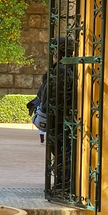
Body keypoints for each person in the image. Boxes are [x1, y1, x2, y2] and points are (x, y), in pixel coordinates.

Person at [40, 37, 73, 189]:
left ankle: (61, 183)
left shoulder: (59, 69)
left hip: (58, 118)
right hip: (66, 116)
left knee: (59, 150)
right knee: (63, 150)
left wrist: (46, 108)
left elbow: (51, 94)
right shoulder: (71, 67)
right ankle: (63, 181)